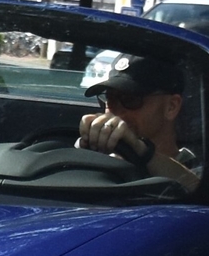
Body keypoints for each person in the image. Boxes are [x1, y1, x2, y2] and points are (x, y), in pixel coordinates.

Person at [79, 53, 201, 188]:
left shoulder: (199, 171)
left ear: (171, 107)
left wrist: (141, 151)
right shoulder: (100, 159)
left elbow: (197, 189)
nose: (116, 112)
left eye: (131, 99)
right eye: (110, 99)